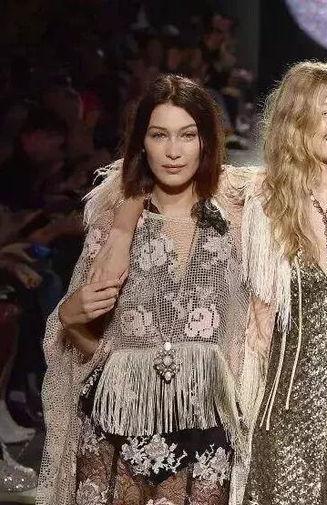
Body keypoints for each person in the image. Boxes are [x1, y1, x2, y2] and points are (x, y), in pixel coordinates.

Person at [88, 62, 327, 505]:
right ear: (296, 118)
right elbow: (161, 172)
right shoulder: (259, 199)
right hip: (277, 420)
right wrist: (121, 232)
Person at [37, 74, 258, 505]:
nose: (173, 151)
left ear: (206, 141)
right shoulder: (113, 221)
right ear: (142, 143)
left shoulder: (239, 211)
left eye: (187, 135)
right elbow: (93, 347)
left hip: (204, 428)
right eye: (159, 135)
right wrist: (70, 318)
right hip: (116, 428)